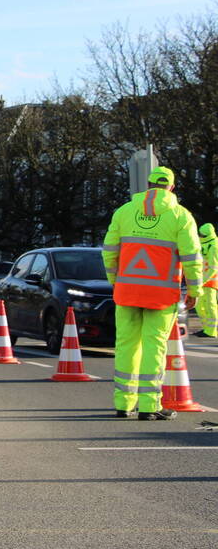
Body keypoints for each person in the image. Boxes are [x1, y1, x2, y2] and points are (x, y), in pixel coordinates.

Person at [102, 166, 202, 420]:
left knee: (125, 346)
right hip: (161, 295)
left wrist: (115, 280)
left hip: (127, 292)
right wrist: (194, 289)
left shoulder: (124, 212)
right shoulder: (181, 216)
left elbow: (109, 251)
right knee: (154, 348)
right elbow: (192, 257)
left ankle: (123, 404)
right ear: (172, 187)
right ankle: (149, 406)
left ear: (147, 186)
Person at [195, 222, 217, 338]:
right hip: (202, 279)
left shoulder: (214, 245)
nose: (200, 236)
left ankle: (212, 331)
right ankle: (206, 328)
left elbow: (213, 267)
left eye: (202, 235)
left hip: (210, 280)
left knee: (210, 305)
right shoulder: (203, 243)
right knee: (199, 306)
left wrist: (203, 281)